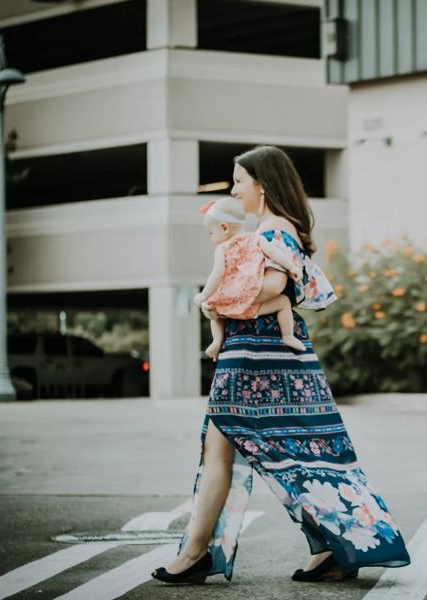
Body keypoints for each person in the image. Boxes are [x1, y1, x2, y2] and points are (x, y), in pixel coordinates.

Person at [152, 146, 410, 586]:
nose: (234, 190)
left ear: (263, 186)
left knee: (230, 447)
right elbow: (294, 289)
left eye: (238, 181)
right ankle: (337, 545)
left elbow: (279, 287)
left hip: (258, 354)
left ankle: (197, 552)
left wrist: (228, 305)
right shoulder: (272, 230)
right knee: (299, 449)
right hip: (264, 353)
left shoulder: (272, 232)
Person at [194, 196, 306, 360]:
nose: (212, 238)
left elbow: (216, 274)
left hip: (230, 299)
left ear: (224, 228)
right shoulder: (256, 238)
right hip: (253, 294)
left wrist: (204, 295)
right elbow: (275, 253)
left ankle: (217, 341)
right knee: (283, 303)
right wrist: (292, 267)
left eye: (212, 232)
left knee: (213, 310)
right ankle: (288, 335)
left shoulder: (222, 249)